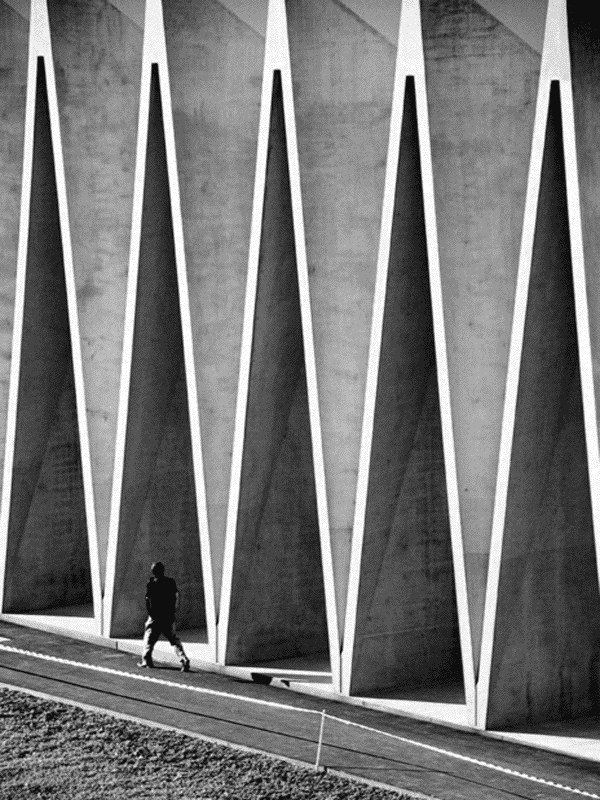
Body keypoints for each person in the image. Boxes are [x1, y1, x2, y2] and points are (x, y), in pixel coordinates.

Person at [137, 561, 190, 672]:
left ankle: (146, 660)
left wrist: (151, 613)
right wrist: (173, 612)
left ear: (153, 572)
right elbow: (176, 597)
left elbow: (148, 600)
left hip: (156, 616)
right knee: (174, 639)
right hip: (168, 616)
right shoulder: (170, 582)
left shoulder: (152, 583)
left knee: (149, 638)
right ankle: (183, 659)